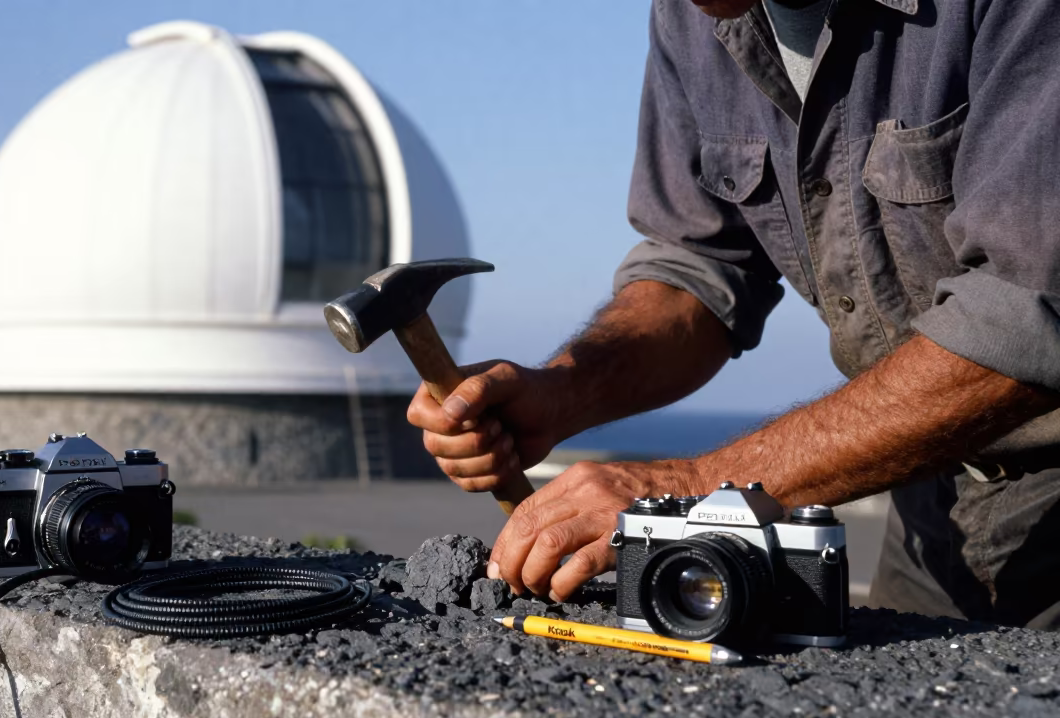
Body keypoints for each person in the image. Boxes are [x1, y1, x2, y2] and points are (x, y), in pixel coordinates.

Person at [407, 0, 1060, 629]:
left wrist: (692, 487)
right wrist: (563, 390)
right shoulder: (693, 18)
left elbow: (1025, 312)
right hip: (930, 504)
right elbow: (701, 267)